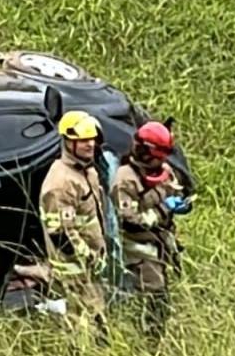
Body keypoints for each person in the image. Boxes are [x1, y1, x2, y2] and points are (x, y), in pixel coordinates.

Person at [111, 119, 192, 342]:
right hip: (139, 249)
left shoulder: (163, 170)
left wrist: (183, 203)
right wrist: (164, 209)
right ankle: (148, 342)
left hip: (162, 243)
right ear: (145, 152)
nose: (163, 160)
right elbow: (131, 221)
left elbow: (176, 189)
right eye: (158, 155)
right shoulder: (125, 180)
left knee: (163, 294)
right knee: (154, 298)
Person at [38, 110, 109, 346]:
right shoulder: (59, 183)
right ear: (68, 142)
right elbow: (60, 235)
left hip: (89, 264)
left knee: (97, 317)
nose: (90, 145)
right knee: (80, 325)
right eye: (83, 140)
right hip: (72, 268)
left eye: (92, 139)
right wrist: (87, 256)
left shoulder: (87, 171)